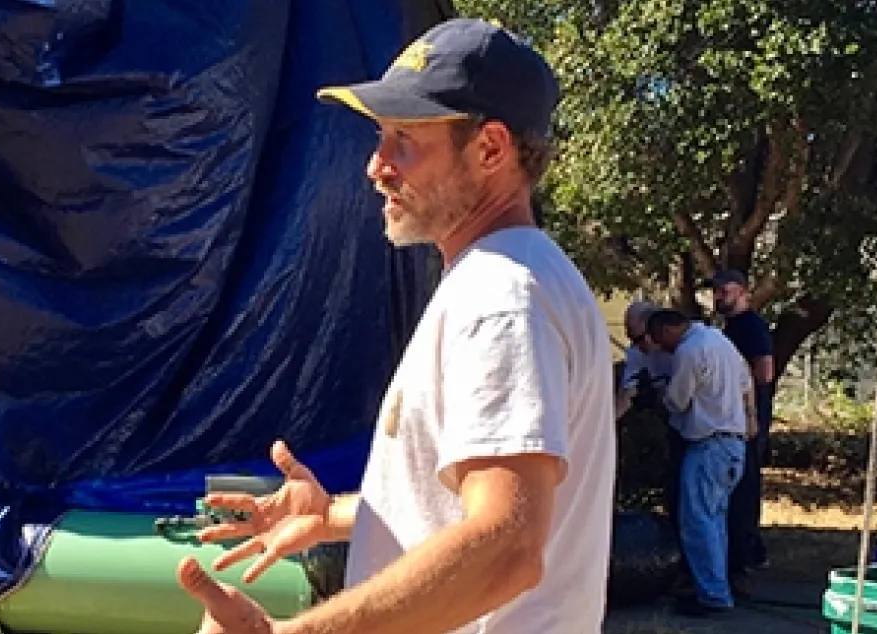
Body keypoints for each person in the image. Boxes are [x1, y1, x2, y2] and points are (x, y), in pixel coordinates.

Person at [173, 18, 616, 634]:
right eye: (381, 137)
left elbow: (507, 549)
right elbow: (474, 505)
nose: (375, 167)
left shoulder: (499, 296)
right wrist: (334, 516)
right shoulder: (520, 277)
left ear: (490, 149)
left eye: (404, 140)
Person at [645, 309, 754, 616]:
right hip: (733, 443)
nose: (661, 348)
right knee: (715, 520)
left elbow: (678, 400)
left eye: (658, 340)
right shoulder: (719, 340)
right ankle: (717, 586)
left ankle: (712, 595)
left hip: (707, 443)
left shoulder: (689, 350)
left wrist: (659, 398)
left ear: (666, 330)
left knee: (698, 522)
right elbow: (746, 380)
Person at [706, 269, 775, 580]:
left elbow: (765, 373)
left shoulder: (751, 326)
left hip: (749, 417)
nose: (719, 296)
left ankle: (746, 555)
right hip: (732, 415)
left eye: (725, 290)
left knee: (745, 486)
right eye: (716, 291)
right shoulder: (728, 327)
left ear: (743, 291)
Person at [617, 300, 673, 419]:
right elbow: (628, 392)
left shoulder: (682, 348)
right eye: (631, 338)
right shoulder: (636, 352)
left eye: (638, 338)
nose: (636, 346)